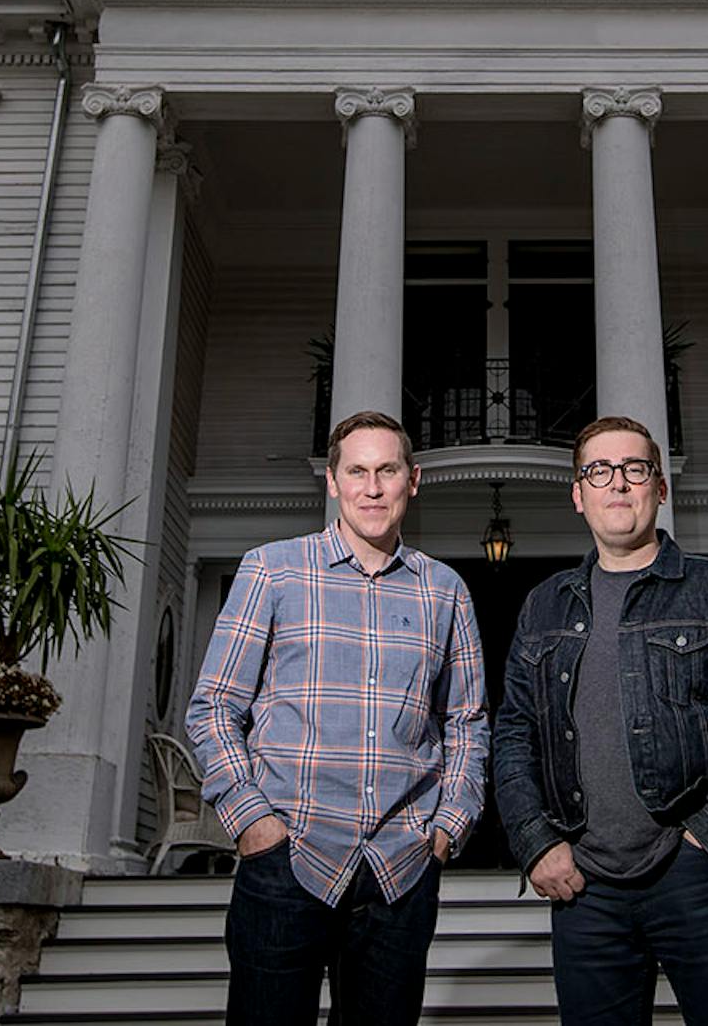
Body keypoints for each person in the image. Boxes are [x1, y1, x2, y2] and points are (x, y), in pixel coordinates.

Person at [491, 414, 708, 1026]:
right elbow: (514, 734)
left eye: (634, 469)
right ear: (578, 494)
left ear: (659, 489)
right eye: (599, 471)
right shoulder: (544, 605)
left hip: (702, 878)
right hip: (585, 888)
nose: (618, 483)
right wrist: (537, 843)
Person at [186, 408, 488, 1026]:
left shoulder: (446, 591)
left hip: (400, 870)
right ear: (332, 481)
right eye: (357, 471)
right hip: (286, 861)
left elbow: (467, 723)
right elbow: (214, 705)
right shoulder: (272, 570)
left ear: (413, 479)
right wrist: (252, 822)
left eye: (386, 471)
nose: (372, 488)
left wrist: (447, 827)